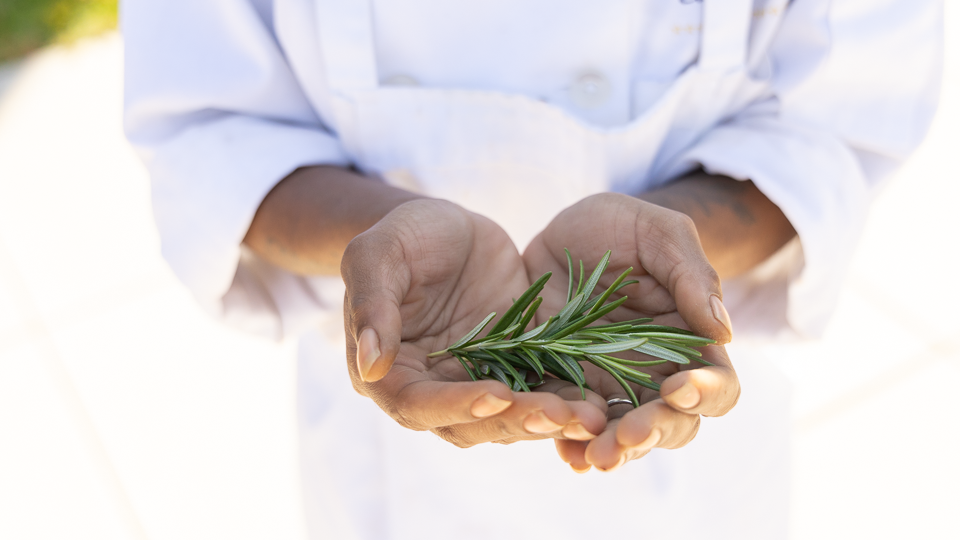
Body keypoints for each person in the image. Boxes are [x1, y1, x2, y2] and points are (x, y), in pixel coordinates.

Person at [123, 0, 942, 538]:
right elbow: (210, 132)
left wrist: (670, 251)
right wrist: (378, 242)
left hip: (676, 434)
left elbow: (843, 113)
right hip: (392, 479)